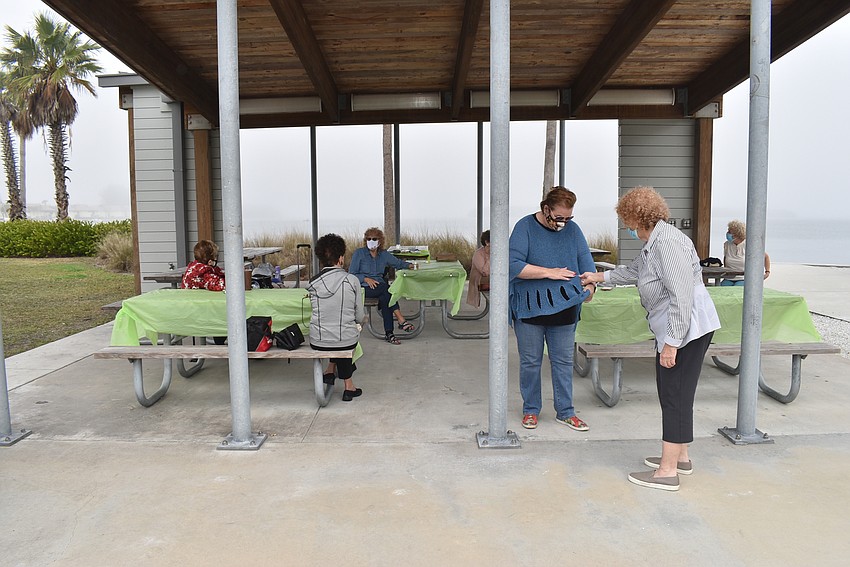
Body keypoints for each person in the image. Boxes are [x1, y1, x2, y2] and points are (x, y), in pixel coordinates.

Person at [581, 186, 720, 492]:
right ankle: (680, 456)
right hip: (684, 328)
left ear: (637, 218)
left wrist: (671, 343)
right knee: (679, 393)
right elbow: (634, 272)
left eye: (628, 222)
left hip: (686, 330)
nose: (627, 228)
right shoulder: (656, 241)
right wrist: (597, 277)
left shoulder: (667, 244)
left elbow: (681, 297)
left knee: (672, 394)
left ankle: (667, 472)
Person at [509, 186, 597, 432]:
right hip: (529, 308)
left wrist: (590, 290)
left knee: (562, 361)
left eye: (568, 218)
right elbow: (512, 264)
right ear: (545, 209)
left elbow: (587, 268)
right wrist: (550, 272)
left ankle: (566, 412)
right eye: (559, 217)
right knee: (530, 362)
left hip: (565, 307)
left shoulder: (573, 230)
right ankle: (530, 409)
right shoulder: (525, 227)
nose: (563, 223)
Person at [307, 233, 365, 402]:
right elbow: (359, 316)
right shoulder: (352, 280)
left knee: (334, 333)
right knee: (346, 336)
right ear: (341, 258)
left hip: (318, 340)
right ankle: (349, 387)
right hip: (344, 339)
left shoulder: (312, 283)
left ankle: (330, 371)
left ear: (321, 260)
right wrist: (358, 323)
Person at [349, 227, 416, 345]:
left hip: (380, 288)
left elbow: (398, 263)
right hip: (363, 288)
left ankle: (389, 334)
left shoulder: (384, 255)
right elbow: (351, 274)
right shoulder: (359, 253)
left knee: (386, 298)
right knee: (387, 290)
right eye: (368, 239)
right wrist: (365, 278)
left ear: (379, 241)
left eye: (374, 239)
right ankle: (401, 320)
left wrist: (410, 265)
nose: (371, 241)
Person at [721, 219, 771, 286]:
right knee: (722, 288)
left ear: (737, 234)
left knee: (737, 290)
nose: (727, 233)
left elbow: (765, 256)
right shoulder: (727, 244)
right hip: (729, 278)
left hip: (744, 278)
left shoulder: (749, 244)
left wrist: (767, 272)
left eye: (730, 232)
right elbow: (725, 257)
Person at [466, 229, 490, 308]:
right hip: (480, 280)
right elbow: (485, 272)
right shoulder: (478, 254)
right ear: (487, 242)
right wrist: (492, 256)